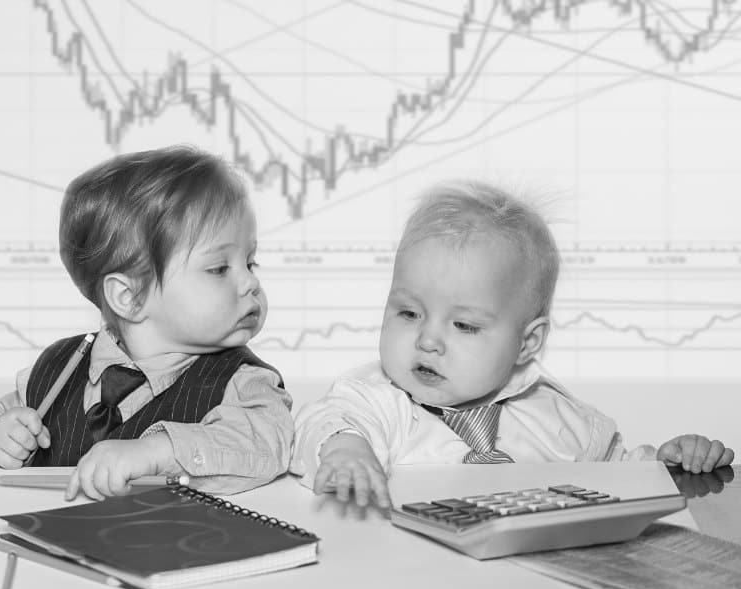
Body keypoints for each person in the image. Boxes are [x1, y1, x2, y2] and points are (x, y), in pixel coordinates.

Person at [291, 181, 734, 509]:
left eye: (464, 325)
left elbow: (620, 470)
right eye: (408, 313)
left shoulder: (560, 417)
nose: (427, 339)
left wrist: (669, 462)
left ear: (527, 343)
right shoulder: (377, 399)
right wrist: (346, 451)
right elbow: (328, 422)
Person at [0, 146, 293, 500]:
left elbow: (267, 442)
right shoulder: (57, 367)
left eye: (250, 262)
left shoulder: (243, 381)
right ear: (129, 297)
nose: (250, 282)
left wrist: (158, 452)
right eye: (219, 269)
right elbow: (2, 418)